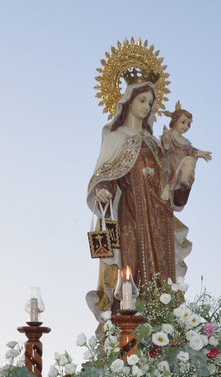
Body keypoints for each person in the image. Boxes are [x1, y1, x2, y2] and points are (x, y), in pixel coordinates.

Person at [86, 76, 190, 317]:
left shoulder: (156, 144)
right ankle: (126, 325)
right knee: (130, 263)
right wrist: (104, 189)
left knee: (162, 276)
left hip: (159, 218)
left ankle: (162, 321)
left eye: (151, 102)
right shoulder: (115, 136)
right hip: (130, 212)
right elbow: (106, 172)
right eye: (142, 100)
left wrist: (184, 180)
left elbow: (170, 185)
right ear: (129, 101)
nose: (147, 107)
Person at [159, 103, 211, 203]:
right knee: (168, 168)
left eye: (188, 124)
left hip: (182, 163)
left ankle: (183, 180)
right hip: (170, 160)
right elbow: (165, 146)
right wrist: (166, 138)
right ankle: (167, 187)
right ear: (174, 121)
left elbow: (192, 151)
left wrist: (202, 153)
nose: (186, 126)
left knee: (190, 160)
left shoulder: (186, 142)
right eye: (183, 122)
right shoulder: (169, 134)